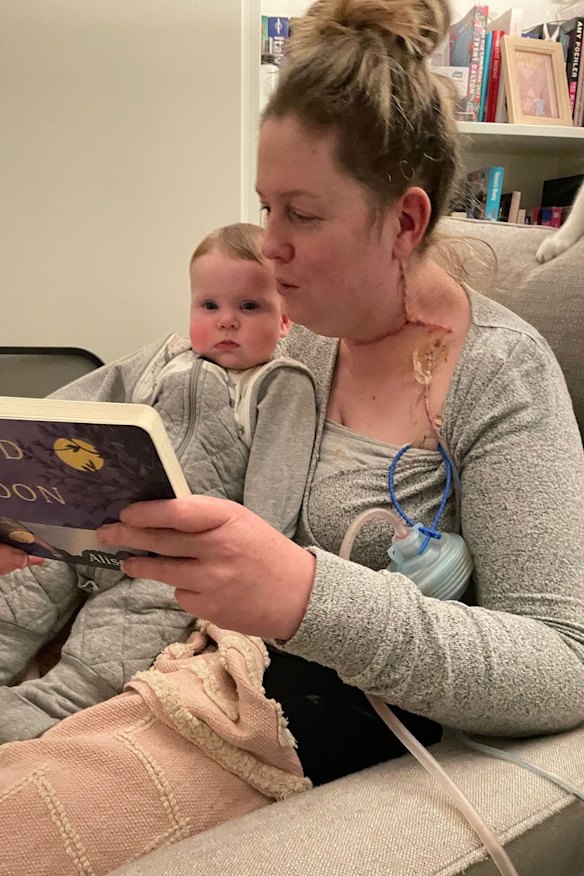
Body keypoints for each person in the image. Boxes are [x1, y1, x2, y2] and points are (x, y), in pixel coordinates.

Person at [0, 0, 583, 870]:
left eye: (301, 216)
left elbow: (561, 661)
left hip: (297, 729)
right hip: (203, 675)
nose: (267, 249)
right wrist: (53, 520)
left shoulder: (501, 374)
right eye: (266, 207)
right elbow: (199, 492)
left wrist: (307, 596)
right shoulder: (304, 344)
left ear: (406, 221)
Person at [0, 222, 316, 743]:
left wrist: (252, 568)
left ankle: (41, 713)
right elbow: (80, 400)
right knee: (26, 580)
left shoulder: (281, 384)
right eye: (208, 306)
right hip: (95, 523)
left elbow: (276, 494)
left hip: (171, 559)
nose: (227, 321)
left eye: (250, 307)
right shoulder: (165, 358)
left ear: (285, 319)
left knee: (116, 642)